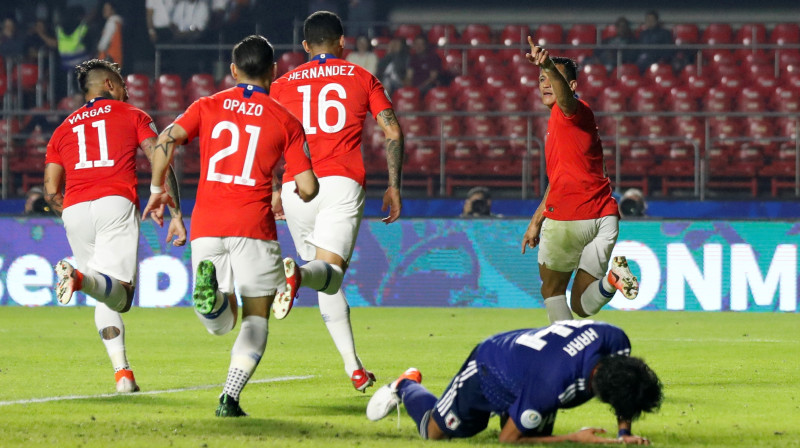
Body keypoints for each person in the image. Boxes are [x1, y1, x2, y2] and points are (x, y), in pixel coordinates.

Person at [142, 35, 318, 417]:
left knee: (220, 322)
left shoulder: (207, 105)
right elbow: (307, 186)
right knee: (256, 315)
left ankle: (213, 299)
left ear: (234, 71)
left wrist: (157, 189)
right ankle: (229, 397)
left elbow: (164, 140)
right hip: (253, 225)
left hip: (207, 223)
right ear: (274, 71)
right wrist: (297, 193)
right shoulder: (285, 120)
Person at [269, 10, 403, 392]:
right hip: (340, 184)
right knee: (329, 273)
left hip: (299, 189)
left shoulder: (282, 84)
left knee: (329, 282)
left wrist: (275, 186)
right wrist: (394, 185)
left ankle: (354, 368)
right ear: (342, 42)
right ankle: (297, 275)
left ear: (306, 47)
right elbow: (392, 130)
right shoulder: (363, 77)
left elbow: (267, 139)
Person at [44, 59, 185, 393]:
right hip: (114, 203)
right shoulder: (132, 115)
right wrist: (175, 211)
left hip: (74, 210)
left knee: (102, 292)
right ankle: (78, 278)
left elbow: (50, 191)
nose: (126, 91)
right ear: (109, 84)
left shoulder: (62, 129)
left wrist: (74, 211)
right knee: (121, 296)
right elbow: (158, 157)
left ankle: (123, 375)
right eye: (122, 84)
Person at [367, 320, 663, 445]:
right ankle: (405, 385)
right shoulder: (552, 387)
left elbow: (629, 382)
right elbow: (507, 440)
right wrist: (572, 437)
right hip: (490, 367)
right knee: (436, 432)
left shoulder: (616, 340)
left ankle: (515, 410)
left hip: (529, 367)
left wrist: (624, 432)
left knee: (533, 436)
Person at [520, 41, 639, 324]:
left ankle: (566, 353)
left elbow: (564, 100)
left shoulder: (573, 110)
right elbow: (559, 179)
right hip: (604, 217)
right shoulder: (563, 123)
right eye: (541, 79)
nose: (546, 83)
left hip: (571, 216)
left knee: (552, 289)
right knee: (583, 305)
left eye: (554, 79)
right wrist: (537, 219)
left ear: (572, 85)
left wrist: (547, 64)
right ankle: (613, 280)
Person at [97, 1, 123, 66]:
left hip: (108, 58)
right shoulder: (118, 23)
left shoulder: (111, 23)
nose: (104, 11)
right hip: (117, 58)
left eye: (106, 9)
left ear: (113, 10)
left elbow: (103, 45)